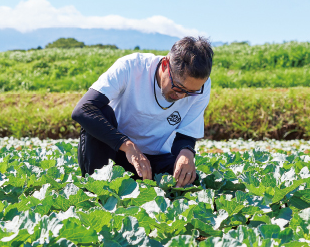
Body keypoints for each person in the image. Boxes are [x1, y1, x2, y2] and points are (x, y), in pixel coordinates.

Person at [71, 36, 213, 186]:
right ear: (165, 64)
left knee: (190, 182)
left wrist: (187, 153)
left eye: (190, 92)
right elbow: (83, 109)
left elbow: (186, 134)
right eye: (178, 87)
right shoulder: (131, 67)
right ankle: (96, 187)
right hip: (115, 154)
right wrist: (128, 146)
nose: (182, 96)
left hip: (154, 162)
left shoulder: (201, 87)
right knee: (101, 112)